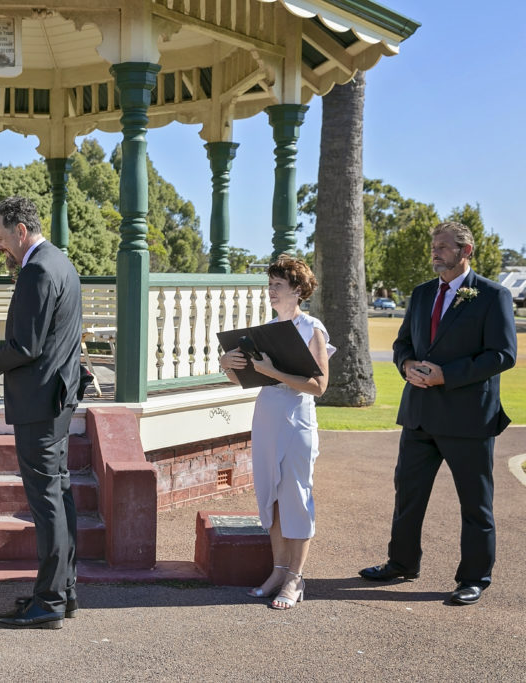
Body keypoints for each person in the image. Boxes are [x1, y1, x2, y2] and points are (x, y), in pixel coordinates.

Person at [359, 222, 516, 606]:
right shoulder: (422, 293)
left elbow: (502, 354)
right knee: (408, 496)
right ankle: (401, 563)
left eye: (444, 246)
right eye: (434, 245)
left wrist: (448, 375)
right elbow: (402, 344)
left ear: (467, 251)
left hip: (468, 420)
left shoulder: (492, 296)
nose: (435, 251)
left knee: (475, 505)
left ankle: (474, 577)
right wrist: (407, 363)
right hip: (419, 416)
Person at [0, 197, 83, 629]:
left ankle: (47, 602)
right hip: (58, 401)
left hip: (39, 405)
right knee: (59, 497)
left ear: (21, 232)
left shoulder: (36, 270)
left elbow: (25, 347)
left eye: (0, 238)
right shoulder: (61, 262)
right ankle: (63, 593)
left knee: (46, 503)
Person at [218, 255, 334, 610]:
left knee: (296, 495)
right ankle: (277, 571)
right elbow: (246, 380)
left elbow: (318, 386)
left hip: (296, 420)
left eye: (278, 286)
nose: (271, 292)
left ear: (297, 290)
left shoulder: (312, 328)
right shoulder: (266, 330)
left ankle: (296, 578)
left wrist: (275, 371)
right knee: (271, 495)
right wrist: (227, 366)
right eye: (269, 286)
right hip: (266, 415)